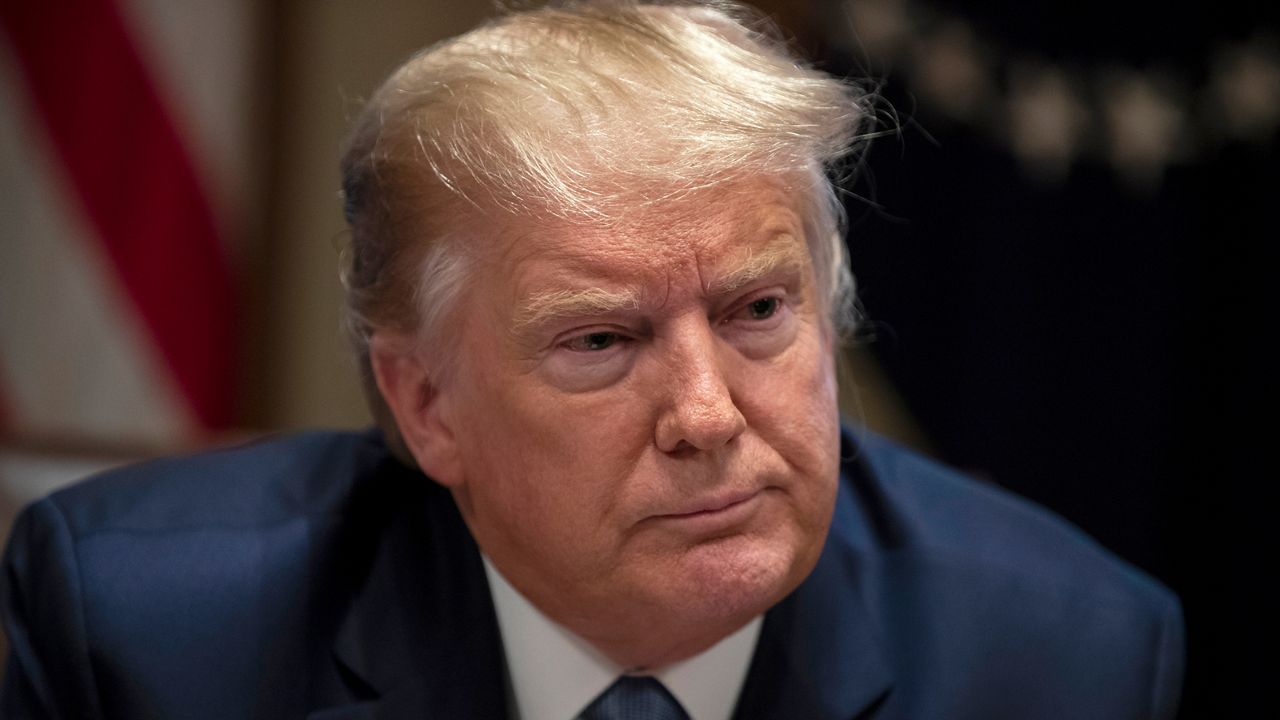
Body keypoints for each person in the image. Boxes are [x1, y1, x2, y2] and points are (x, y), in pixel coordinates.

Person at [0, 2, 1183, 718]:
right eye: (600, 341)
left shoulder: (1062, 658)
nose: (707, 414)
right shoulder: (145, 636)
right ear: (424, 404)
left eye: (759, 310)